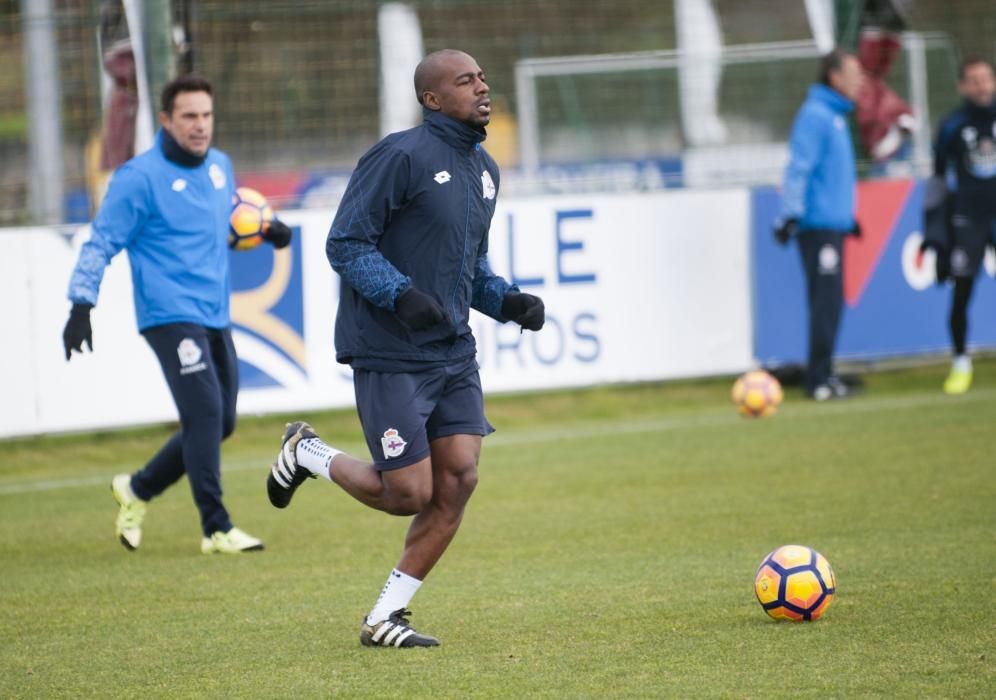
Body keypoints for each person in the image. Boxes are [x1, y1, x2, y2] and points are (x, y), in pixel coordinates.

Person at [265, 49, 545, 648]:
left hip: (453, 353)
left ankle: (384, 619)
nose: (482, 87)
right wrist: (400, 294)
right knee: (408, 493)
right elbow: (345, 244)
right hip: (391, 348)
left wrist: (509, 303)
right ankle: (307, 451)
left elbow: (470, 270)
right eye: (465, 81)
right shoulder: (399, 155)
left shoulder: (486, 170)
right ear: (432, 98)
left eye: (483, 78)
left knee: (460, 479)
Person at [63, 74, 293, 554]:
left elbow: (216, 230)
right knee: (207, 412)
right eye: (189, 116)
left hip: (214, 311)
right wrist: (82, 303)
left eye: (206, 115)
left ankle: (139, 488)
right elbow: (102, 241)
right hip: (167, 313)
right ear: (166, 120)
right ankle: (216, 527)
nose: (200, 125)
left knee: (217, 423)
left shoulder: (220, 168)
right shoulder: (137, 179)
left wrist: (266, 231)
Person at [774, 49, 864, 401]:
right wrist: (790, 215)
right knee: (825, 302)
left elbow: (829, 179)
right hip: (817, 228)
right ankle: (818, 381)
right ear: (834, 77)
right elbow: (799, 168)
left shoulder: (836, 116)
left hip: (832, 224)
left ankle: (823, 373)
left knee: (831, 302)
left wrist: (847, 219)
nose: (860, 81)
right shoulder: (816, 116)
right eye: (854, 73)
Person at [920, 57, 996, 394]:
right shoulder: (952, 125)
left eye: (986, 79)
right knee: (962, 288)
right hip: (968, 218)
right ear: (962, 86)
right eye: (974, 80)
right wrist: (933, 228)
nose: (981, 86)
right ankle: (960, 362)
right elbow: (937, 178)